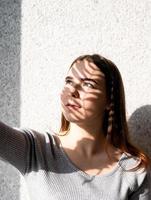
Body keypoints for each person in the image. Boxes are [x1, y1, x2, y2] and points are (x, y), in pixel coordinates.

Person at [0, 54, 151, 200]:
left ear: (109, 101)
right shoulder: (35, 149)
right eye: (69, 81)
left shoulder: (133, 170)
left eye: (88, 84)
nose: (72, 90)